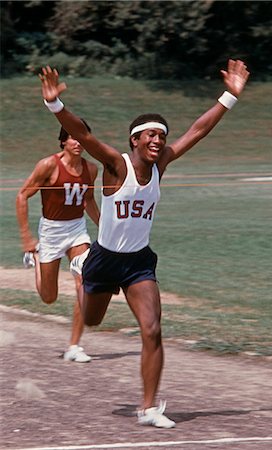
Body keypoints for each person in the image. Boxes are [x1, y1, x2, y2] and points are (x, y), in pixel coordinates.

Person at [39, 59, 250, 427]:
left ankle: (149, 408)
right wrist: (55, 105)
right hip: (104, 260)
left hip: (138, 262)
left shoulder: (161, 164)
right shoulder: (115, 165)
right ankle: (80, 264)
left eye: (162, 136)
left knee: (152, 329)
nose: (158, 140)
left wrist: (229, 95)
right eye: (150, 135)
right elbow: (84, 136)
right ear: (134, 140)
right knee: (92, 320)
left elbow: (198, 131)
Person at [16, 122, 100, 363]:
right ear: (63, 141)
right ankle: (35, 256)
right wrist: (27, 238)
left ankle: (74, 346)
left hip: (76, 230)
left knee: (85, 280)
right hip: (51, 232)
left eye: (81, 138)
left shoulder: (91, 169)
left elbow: (89, 201)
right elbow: (22, 195)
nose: (77, 142)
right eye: (72, 138)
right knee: (48, 297)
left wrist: (106, 229)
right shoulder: (48, 165)